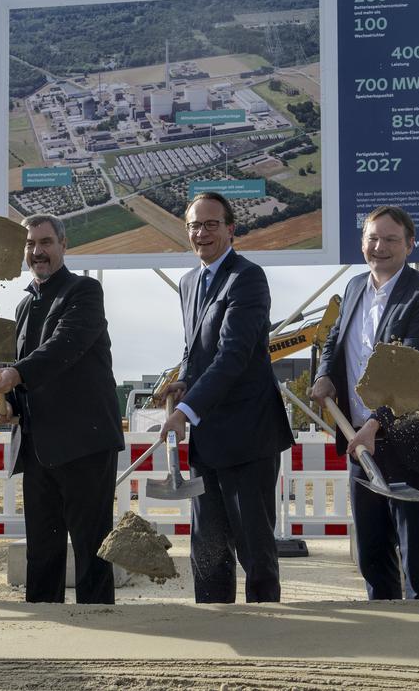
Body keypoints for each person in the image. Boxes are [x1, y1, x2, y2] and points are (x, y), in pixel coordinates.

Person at [154, 192, 293, 603]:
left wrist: (185, 410)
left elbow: (233, 355)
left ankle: (267, 620)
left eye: (212, 224)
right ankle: (213, 619)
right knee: (208, 545)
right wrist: (183, 380)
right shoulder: (188, 282)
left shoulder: (247, 278)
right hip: (208, 438)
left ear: (231, 229)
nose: (202, 233)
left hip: (248, 436)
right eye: (195, 225)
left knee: (255, 547)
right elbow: (194, 348)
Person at [310, 205, 419, 600]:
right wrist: (324, 374)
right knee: (372, 555)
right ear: (362, 243)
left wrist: (375, 424)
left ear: (409, 245)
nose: (380, 247)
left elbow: (413, 370)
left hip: (410, 444)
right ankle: (385, 623)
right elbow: (334, 339)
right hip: (361, 443)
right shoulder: (355, 287)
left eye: (391, 239)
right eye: (373, 238)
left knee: (416, 557)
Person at [0, 213, 125, 604]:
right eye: (30, 244)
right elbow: (22, 370)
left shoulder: (84, 292)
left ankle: (99, 624)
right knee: (42, 552)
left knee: (92, 550)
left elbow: (64, 346)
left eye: (45, 242)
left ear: (63, 245)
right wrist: (7, 405)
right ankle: (45, 626)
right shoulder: (22, 307)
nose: (37, 251)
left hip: (84, 443)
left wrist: (15, 375)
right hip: (37, 447)